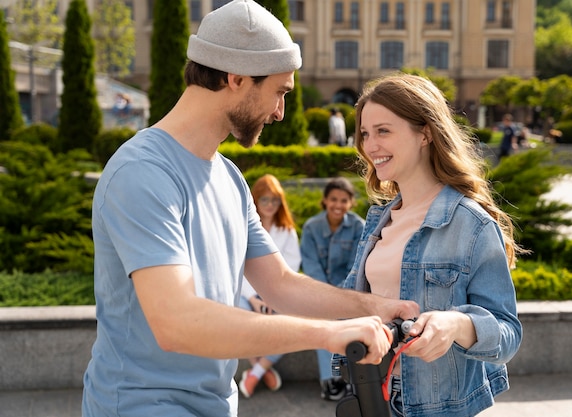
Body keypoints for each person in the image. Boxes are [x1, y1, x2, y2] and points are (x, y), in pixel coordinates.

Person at [81, 2, 419, 416]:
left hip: (215, 405)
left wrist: (373, 307)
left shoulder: (228, 177)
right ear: (236, 78)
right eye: (279, 92)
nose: (280, 112)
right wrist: (329, 335)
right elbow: (177, 323)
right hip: (140, 406)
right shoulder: (142, 173)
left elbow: (278, 283)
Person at [341, 73, 523, 417]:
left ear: (424, 132)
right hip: (370, 396)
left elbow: (508, 333)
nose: (370, 145)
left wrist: (456, 324)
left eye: (383, 131)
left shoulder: (471, 223)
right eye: (365, 133)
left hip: (435, 407)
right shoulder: (379, 219)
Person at [300, 177, 365, 400]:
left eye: (344, 200)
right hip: (318, 292)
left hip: (349, 291)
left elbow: (356, 267)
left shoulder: (359, 227)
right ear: (325, 201)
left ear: (351, 203)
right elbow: (310, 266)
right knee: (321, 322)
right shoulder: (311, 227)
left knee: (346, 322)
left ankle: (350, 379)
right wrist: (325, 296)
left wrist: (338, 296)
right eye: (333, 199)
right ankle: (330, 381)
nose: (338, 205)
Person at [238, 174, 301, 398]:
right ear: (255, 200)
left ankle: (255, 372)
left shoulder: (286, 230)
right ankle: (262, 369)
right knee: (239, 317)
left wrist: (269, 296)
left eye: (275, 200)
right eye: (265, 200)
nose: (270, 205)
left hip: (276, 293)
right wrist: (253, 297)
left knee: (289, 324)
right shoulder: (242, 228)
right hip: (246, 292)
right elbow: (237, 266)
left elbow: (290, 267)